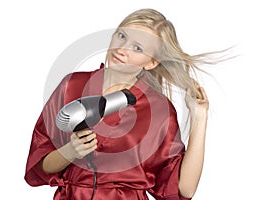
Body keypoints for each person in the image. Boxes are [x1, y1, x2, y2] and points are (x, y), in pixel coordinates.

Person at [25, 8, 212, 200]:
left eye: (137, 48)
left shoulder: (158, 110)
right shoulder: (72, 86)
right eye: (122, 36)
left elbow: (184, 190)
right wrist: (71, 151)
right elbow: (39, 167)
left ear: (151, 62)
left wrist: (200, 117)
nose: (122, 49)